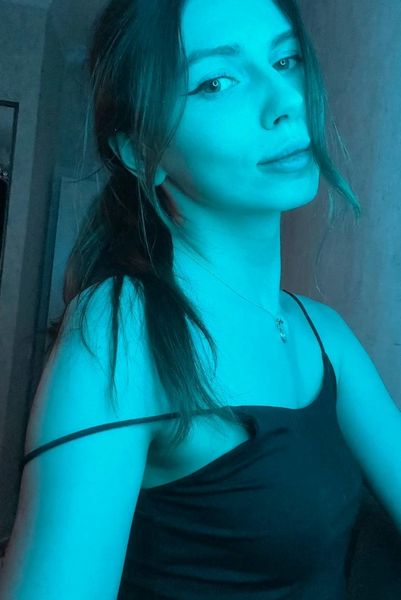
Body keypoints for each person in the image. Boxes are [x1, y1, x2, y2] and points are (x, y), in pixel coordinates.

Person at [1, 0, 400, 598]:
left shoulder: (324, 333)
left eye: (286, 60)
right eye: (216, 82)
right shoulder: (121, 327)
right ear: (142, 151)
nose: (285, 100)